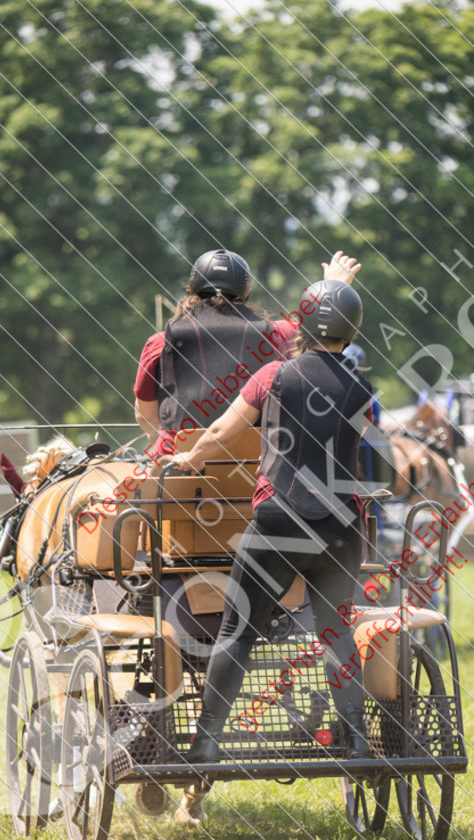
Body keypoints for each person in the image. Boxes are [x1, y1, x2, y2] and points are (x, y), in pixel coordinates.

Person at [165, 258, 374, 762]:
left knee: (238, 632)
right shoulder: (361, 389)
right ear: (351, 332)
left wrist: (189, 460)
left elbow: (219, 434)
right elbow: (353, 441)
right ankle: (359, 740)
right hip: (343, 525)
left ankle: (208, 743)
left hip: (281, 518)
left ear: (300, 325)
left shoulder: (274, 376)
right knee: (336, 631)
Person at [133, 248, 357, 456]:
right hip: (255, 467)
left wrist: (167, 443)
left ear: (194, 287)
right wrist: (335, 286)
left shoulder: (160, 343)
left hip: (177, 467)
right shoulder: (282, 335)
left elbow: (146, 417)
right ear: (245, 291)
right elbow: (324, 336)